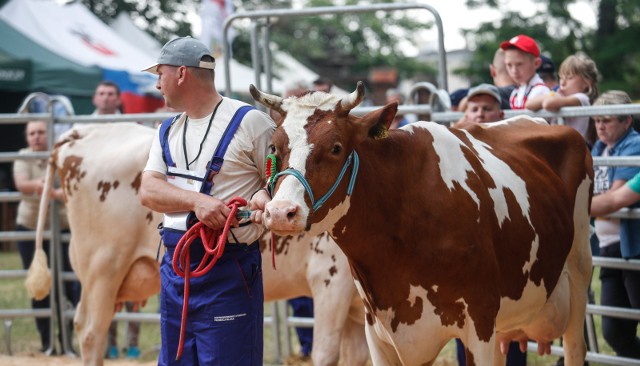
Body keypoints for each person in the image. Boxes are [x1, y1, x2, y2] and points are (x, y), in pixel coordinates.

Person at [140, 36, 274, 365]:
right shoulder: (166, 130)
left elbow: (279, 186)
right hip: (176, 267)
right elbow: (148, 190)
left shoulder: (252, 122)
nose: (157, 84)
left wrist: (263, 195)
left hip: (229, 268)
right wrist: (198, 202)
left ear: (181, 73)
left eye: (160, 74)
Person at [450, 87, 527, 366]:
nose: (480, 113)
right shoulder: (451, 153)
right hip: (466, 254)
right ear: (464, 114)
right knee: (466, 322)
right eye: (474, 108)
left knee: (511, 318)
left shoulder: (513, 151)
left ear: (501, 114)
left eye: (487, 108)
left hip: (508, 251)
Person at [13, 120, 77, 354]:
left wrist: (53, 191)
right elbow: (21, 184)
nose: (36, 137)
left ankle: (67, 342)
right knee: (40, 286)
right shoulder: (23, 155)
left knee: (69, 286)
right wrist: (45, 187)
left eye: (41, 132)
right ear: (27, 136)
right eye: (32, 133)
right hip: (31, 227)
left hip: (63, 227)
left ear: (49, 134)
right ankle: (46, 342)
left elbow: (71, 185)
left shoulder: (61, 153)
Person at [94, 80, 143, 360]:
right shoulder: (82, 128)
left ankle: (132, 342)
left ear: (118, 98)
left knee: (132, 286)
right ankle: (108, 342)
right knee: (105, 283)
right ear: (95, 97)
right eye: (102, 93)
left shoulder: (130, 130)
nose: (106, 97)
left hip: (126, 210)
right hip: (98, 215)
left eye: (111, 93)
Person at [590, 90, 640, 359]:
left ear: (626, 121)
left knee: (635, 308)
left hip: (632, 245)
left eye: (607, 120)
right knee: (613, 329)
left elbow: (613, 202)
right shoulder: (599, 148)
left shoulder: (633, 146)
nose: (600, 126)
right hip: (608, 246)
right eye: (597, 120)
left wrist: (567, 207)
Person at [527, 53, 600, 146]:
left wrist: (553, 95)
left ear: (586, 82)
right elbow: (529, 104)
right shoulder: (560, 97)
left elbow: (548, 104)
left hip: (574, 149)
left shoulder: (582, 98)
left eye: (569, 78)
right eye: (561, 78)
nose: (562, 83)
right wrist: (553, 95)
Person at [500, 34, 551, 110]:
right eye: (509, 65)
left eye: (519, 64)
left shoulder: (540, 91)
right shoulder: (516, 92)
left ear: (536, 63)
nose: (514, 71)